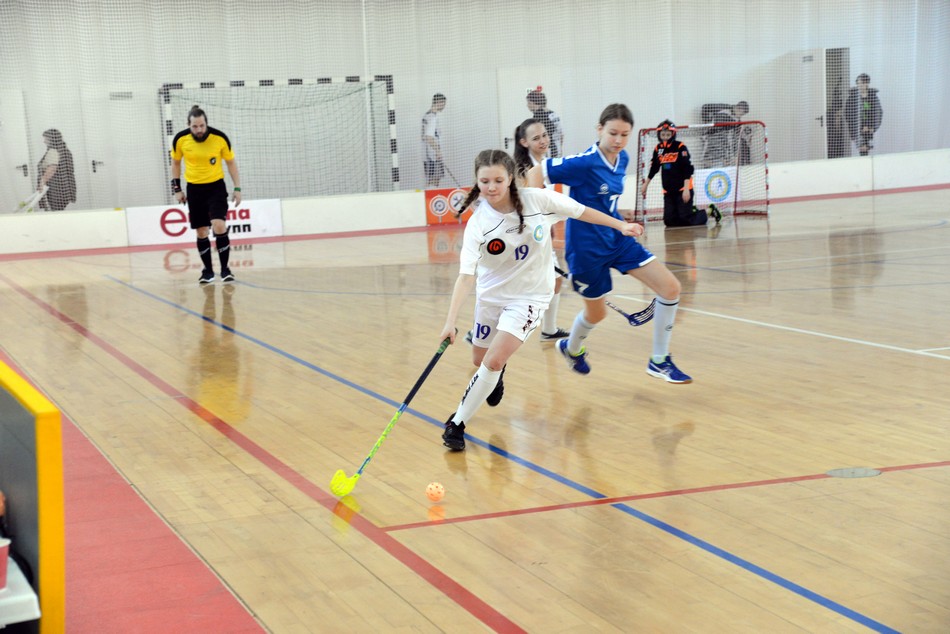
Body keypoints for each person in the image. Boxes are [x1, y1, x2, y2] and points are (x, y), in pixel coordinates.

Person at [439, 149, 640, 451]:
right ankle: (495, 375)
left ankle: (457, 424)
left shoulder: (538, 201)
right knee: (480, 361)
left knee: (492, 360)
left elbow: (581, 211)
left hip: (530, 297)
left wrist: (621, 226)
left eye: (498, 180)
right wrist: (450, 322)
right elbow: (466, 277)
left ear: (510, 178)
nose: (491, 187)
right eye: (485, 181)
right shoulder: (479, 224)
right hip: (491, 297)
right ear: (477, 182)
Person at [526, 103, 693, 384]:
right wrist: (535, 217)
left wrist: (620, 217)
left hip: (617, 238)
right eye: (613, 133)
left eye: (624, 135)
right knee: (596, 314)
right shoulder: (584, 163)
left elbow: (605, 199)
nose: (618, 140)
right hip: (586, 250)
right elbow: (537, 171)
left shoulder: (623, 158)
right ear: (599, 129)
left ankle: (659, 361)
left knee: (671, 287)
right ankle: (571, 348)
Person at [170, 105, 242, 285]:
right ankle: (207, 271)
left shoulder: (219, 138)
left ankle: (225, 270)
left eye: (202, 125)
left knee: (219, 224)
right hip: (194, 189)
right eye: (195, 126)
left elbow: (231, 163)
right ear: (189, 125)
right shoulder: (180, 139)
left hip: (216, 187)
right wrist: (177, 189)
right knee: (202, 231)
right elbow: (176, 163)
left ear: (206, 123)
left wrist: (237, 188)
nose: (199, 130)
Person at [512, 117, 570, 341]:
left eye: (544, 135)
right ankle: (479, 331)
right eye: (536, 138)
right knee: (522, 291)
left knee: (554, 281)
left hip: (539, 234)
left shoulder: (545, 163)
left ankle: (549, 330)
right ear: (524, 142)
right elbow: (528, 206)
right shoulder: (524, 169)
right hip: (525, 237)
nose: (543, 140)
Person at [641, 120, 716, 227]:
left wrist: (686, 189)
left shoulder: (680, 147)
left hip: (683, 189)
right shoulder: (658, 149)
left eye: (668, 135)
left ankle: (709, 211)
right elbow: (654, 168)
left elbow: (687, 168)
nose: (665, 137)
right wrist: (646, 184)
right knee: (669, 221)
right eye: (663, 135)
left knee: (686, 219)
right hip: (668, 191)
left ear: (673, 134)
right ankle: (690, 211)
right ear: (659, 135)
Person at [36, 129, 76, 211]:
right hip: (64, 187)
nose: (44, 141)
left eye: (46, 139)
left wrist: (42, 183)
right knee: (58, 210)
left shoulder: (53, 151)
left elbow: (52, 169)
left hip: (54, 189)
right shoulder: (64, 150)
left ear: (51, 139)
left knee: (53, 211)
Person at [845, 74, 883, 156]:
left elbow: (878, 113)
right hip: (857, 129)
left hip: (869, 129)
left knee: (866, 150)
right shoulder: (852, 97)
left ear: (867, 83)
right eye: (858, 83)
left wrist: (871, 127)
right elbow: (847, 114)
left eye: (862, 83)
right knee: (861, 149)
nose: (860, 85)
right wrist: (856, 128)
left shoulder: (873, 97)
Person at [704, 101, 750, 167]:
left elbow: (736, 134)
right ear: (738, 108)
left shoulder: (737, 119)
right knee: (713, 161)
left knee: (727, 161)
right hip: (714, 138)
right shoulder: (724, 113)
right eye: (741, 113)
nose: (740, 116)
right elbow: (720, 124)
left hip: (725, 142)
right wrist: (738, 124)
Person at [526, 89, 564, 158]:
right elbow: (561, 134)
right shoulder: (553, 114)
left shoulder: (538, 116)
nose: (527, 105)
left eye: (529, 103)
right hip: (557, 150)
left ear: (534, 103)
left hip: (548, 151)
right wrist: (560, 149)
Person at [421, 93, 447, 187]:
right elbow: (429, 137)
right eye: (443, 103)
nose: (444, 106)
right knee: (434, 181)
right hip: (432, 156)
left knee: (431, 180)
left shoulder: (427, 115)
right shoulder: (432, 117)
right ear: (439, 102)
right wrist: (438, 151)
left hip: (428, 155)